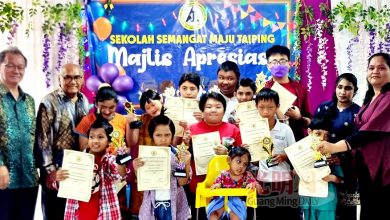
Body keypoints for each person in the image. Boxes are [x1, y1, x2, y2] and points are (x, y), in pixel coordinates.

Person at [317, 53, 390, 220]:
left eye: (381, 68)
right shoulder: (371, 98)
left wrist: (335, 147)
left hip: (379, 166)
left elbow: (368, 132)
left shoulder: (388, 97)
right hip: (362, 165)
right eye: (371, 68)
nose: (375, 71)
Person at [35, 63, 89, 220]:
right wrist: (50, 171)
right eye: (67, 77)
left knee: (73, 213)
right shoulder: (49, 102)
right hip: (56, 164)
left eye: (77, 77)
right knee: (55, 213)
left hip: (77, 164)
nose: (73, 81)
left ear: (83, 80)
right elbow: (42, 139)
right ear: (60, 80)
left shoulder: (83, 100)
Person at [183, 92, 242, 219]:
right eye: (209, 106)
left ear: (224, 109)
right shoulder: (191, 129)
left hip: (228, 186)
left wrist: (227, 154)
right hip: (199, 185)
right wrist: (186, 144)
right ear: (202, 110)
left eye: (218, 106)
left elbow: (243, 158)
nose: (213, 110)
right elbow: (183, 156)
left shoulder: (233, 129)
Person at [75, 84, 131, 218]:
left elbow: (128, 146)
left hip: (116, 172)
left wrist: (120, 157)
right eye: (102, 107)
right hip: (93, 173)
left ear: (117, 104)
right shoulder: (87, 120)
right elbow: (83, 148)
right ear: (96, 104)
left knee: (115, 210)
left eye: (111, 107)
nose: (106, 111)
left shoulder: (121, 119)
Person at [57, 117, 126, 219]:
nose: (95, 141)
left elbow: (120, 174)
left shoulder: (109, 160)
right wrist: (59, 178)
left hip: (103, 212)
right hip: (78, 211)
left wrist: (121, 159)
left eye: (100, 137)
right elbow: (63, 184)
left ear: (109, 141)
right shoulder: (76, 160)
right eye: (91, 137)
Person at [314, 73, 360, 220]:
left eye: (348, 88)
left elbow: (359, 142)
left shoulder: (358, 113)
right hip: (322, 164)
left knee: (346, 210)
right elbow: (313, 136)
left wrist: (342, 159)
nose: (343, 91)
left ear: (355, 91)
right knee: (325, 208)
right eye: (340, 87)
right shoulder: (323, 108)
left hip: (347, 168)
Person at [0, 47, 39, 220]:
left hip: (29, 177)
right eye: (10, 65)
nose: (16, 70)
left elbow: (35, 136)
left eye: (20, 67)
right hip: (4, 177)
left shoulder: (29, 101)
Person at [132, 111, 192, 220]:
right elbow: (143, 183)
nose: (163, 139)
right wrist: (137, 169)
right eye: (158, 135)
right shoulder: (145, 156)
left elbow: (182, 182)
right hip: (152, 204)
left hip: (173, 203)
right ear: (152, 135)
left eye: (167, 135)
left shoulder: (178, 155)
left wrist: (186, 163)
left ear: (172, 135)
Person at [255, 88, 300, 219]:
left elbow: (295, 153)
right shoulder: (252, 130)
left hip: (284, 181)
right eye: (261, 107)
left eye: (270, 107)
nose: (265, 112)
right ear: (256, 107)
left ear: (277, 107)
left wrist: (284, 156)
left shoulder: (285, 129)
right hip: (263, 181)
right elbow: (249, 160)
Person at [128, 89, 164, 217]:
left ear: (161, 99)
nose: (152, 109)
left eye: (153, 104)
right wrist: (131, 125)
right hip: (145, 168)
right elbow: (133, 142)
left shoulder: (172, 118)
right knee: (142, 206)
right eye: (148, 108)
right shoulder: (143, 120)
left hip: (164, 168)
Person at [264, 45, 312, 141]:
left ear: (289, 64)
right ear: (268, 66)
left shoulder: (300, 89)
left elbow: (309, 121)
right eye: (274, 62)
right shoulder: (264, 90)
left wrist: (299, 118)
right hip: (271, 140)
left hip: (296, 139)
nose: (278, 65)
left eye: (282, 61)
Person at [301, 116, 343, 220]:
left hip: (327, 201)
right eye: (318, 134)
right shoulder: (300, 153)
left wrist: (332, 178)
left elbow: (341, 179)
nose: (321, 138)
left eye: (326, 135)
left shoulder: (332, 155)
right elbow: (294, 173)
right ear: (309, 131)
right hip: (308, 200)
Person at [207, 147, 259, 220]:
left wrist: (253, 185)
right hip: (221, 202)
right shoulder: (223, 175)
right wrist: (217, 185)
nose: (241, 166)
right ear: (229, 160)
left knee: (235, 217)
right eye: (238, 161)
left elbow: (257, 185)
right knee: (213, 215)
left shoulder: (247, 176)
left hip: (237, 203)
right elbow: (215, 187)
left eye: (245, 164)